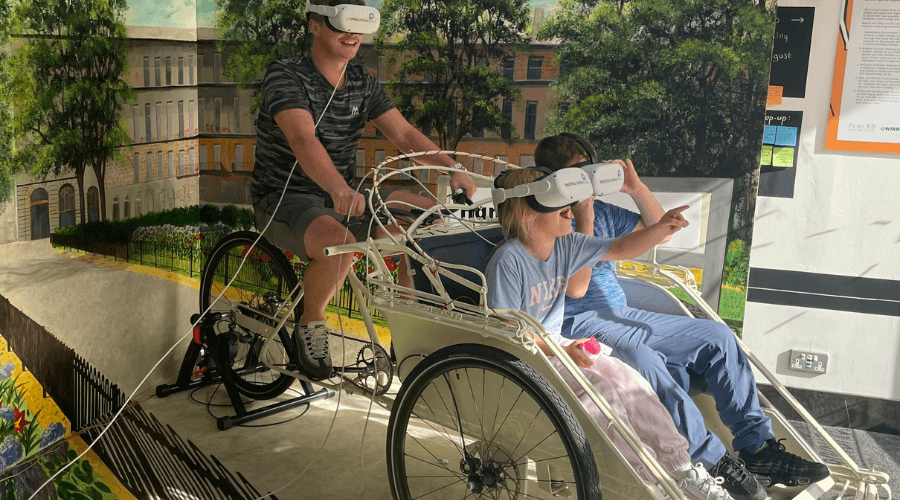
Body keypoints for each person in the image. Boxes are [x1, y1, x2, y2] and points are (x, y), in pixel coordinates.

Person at [534, 133, 830, 500]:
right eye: (575, 174)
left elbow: (660, 230)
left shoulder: (602, 211)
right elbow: (576, 289)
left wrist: (635, 187)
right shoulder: (551, 221)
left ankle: (758, 449)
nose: (585, 182)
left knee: (718, 338)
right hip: (576, 321)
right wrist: (585, 215)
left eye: (588, 171)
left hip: (618, 311)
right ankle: (713, 462)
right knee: (644, 358)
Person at [250, 0, 476, 380]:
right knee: (341, 246)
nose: (352, 34)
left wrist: (453, 167)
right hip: (283, 197)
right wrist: (338, 188)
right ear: (315, 26)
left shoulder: (361, 82)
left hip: (344, 194)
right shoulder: (285, 76)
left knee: (423, 221)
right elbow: (303, 138)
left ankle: (408, 327)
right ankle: (311, 322)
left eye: (359, 25)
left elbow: (403, 134)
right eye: (341, 24)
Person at [485, 166, 733, 500]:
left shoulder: (566, 245)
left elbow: (620, 248)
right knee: (602, 392)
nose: (569, 208)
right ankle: (644, 479)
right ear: (524, 212)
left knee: (631, 383)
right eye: (557, 201)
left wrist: (660, 229)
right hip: (530, 357)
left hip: (560, 348)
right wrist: (557, 351)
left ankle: (680, 467)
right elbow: (505, 329)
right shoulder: (508, 261)